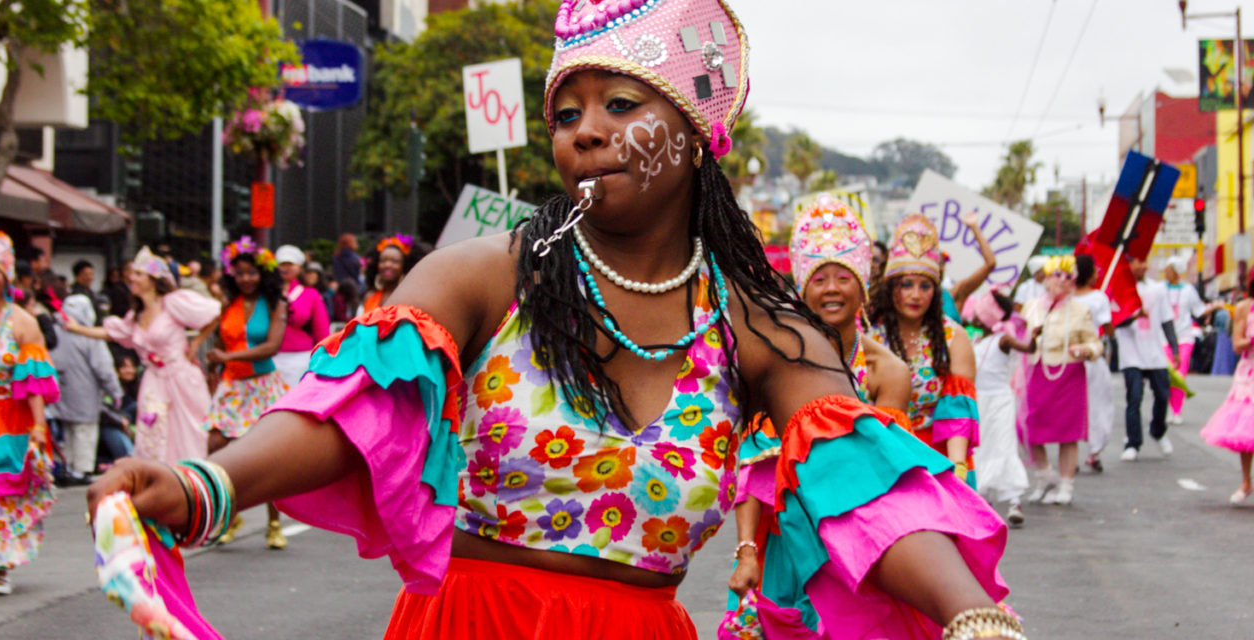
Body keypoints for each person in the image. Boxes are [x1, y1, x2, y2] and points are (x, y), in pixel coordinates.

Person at [86, 2, 1022, 639]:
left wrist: (975, 617)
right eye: (566, 110)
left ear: (697, 135)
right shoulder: (486, 275)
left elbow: (871, 491)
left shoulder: (756, 327)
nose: (583, 129)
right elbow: (344, 417)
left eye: (620, 104)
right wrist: (201, 486)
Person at [727, 194, 930, 625]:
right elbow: (753, 465)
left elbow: (886, 477)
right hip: (782, 549)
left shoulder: (887, 372)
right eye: (820, 279)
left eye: (843, 276)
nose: (832, 289)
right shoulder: (775, 362)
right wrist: (746, 551)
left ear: (863, 285)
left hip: (856, 547)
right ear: (803, 287)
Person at [64, 247, 220, 465]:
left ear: (153, 279)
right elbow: (112, 332)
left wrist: (196, 342)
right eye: (132, 273)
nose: (131, 278)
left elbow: (213, 312)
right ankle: (160, 481)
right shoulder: (136, 316)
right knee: (152, 432)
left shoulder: (172, 303)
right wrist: (76, 328)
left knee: (190, 433)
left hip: (182, 379)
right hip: (154, 381)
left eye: (138, 274)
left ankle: (194, 481)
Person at [0, 231, 60, 596]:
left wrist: (38, 426)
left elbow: (35, 382)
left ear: (7, 275)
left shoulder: (24, 322)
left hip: (12, 419)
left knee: (3, 491)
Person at [869, 214, 980, 482]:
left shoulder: (953, 337)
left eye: (925, 285)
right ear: (891, 286)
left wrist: (957, 471)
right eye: (906, 284)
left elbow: (957, 412)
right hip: (880, 459)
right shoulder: (870, 336)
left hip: (939, 461)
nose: (916, 295)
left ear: (936, 291)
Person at [198, 238, 290, 548]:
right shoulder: (228, 305)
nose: (246, 278)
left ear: (262, 274)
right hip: (232, 386)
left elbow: (272, 347)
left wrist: (227, 359)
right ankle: (230, 514)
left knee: (269, 457)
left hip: (262, 385)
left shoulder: (277, 302)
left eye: (252, 272)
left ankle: (274, 524)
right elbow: (220, 347)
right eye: (240, 273)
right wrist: (216, 366)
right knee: (216, 448)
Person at [1018, 256, 1102, 505]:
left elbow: (1096, 344)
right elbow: (1017, 336)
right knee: (1028, 428)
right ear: (1046, 278)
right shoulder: (1030, 307)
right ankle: (1044, 475)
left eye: (1068, 277)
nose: (1062, 282)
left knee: (1068, 433)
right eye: (1057, 275)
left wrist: (1084, 350)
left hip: (1068, 375)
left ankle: (1066, 483)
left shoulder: (1080, 310)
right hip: (1035, 372)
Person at [961, 287, 1033, 525]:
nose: (973, 317)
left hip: (1000, 400)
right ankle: (985, 498)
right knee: (982, 447)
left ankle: (1014, 500)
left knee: (1004, 445)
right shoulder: (977, 339)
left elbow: (1027, 349)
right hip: (980, 400)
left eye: (978, 314)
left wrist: (1034, 337)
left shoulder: (1003, 338)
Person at [50, 294, 122, 481]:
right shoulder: (88, 334)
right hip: (85, 393)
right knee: (85, 431)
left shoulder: (55, 331)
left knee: (69, 431)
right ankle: (82, 470)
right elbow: (103, 366)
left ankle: (69, 467)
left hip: (60, 392)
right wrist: (115, 391)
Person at [1115, 257, 1177, 462]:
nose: (1143, 266)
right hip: (1131, 354)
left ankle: (1158, 431)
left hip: (1154, 353)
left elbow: (1167, 320)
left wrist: (1174, 348)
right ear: (1128, 265)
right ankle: (1132, 443)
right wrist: (1134, 316)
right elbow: (1114, 323)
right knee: (1134, 398)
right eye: (1138, 262)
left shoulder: (1158, 289)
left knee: (1162, 395)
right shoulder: (1119, 290)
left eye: (1145, 262)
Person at [1200, 272, 1254, 503]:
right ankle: (1246, 481)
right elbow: (1237, 345)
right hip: (1249, 374)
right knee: (1246, 430)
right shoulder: (1244, 307)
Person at [1071, 254, 1114, 472]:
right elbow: (1108, 329)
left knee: (1073, 407)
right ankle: (1094, 452)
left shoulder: (1065, 297)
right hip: (1091, 357)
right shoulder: (1099, 298)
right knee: (1098, 405)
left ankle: (1071, 454)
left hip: (1068, 359)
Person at [273, 245, 329, 389]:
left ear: (299, 268)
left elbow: (322, 332)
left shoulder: (311, 294)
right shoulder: (268, 292)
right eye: (282, 264)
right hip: (269, 359)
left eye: (290, 264)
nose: (285, 268)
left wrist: (323, 362)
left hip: (300, 360)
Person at [1162, 256, 1205, 425]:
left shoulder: (1188, 290)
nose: (1166, 272)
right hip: (1165, 338)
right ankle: (1166, 408)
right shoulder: (1160, 290)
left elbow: (1199, 310)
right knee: (1166, 375)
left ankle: (1176, 411)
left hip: (1185, 337)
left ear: (1176, 271)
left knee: (1180, 375)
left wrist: (1214, 307)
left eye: (1169, 269)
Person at [942, 214, 998, 324]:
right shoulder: (912, 297)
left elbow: (990, 263)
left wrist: (974, 226)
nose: (940, 266)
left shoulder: (954, 294)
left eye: (943, 262)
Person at [97, 354, 139, 468]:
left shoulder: (137, 387)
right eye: (124, 367)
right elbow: (104, 412)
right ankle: (130, 459)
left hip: (126, 424)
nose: (129, 371)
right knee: (111, 428)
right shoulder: (108, 389)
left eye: (132, 367)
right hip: (109, 425)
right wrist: (121, 422)